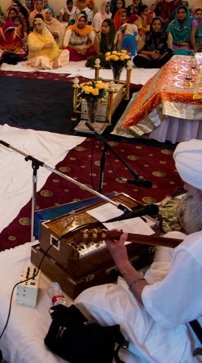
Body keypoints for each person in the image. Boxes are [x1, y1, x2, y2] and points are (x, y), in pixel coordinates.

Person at [75, 139, 202, 363]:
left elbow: (162, 312)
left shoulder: (196, 251)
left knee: (91, 298)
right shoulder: (194, 248)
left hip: (189, 335)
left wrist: (123, 264)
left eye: (189, 191)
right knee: (174, 238)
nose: (185, 194)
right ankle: (159, 288)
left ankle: (151, 291)